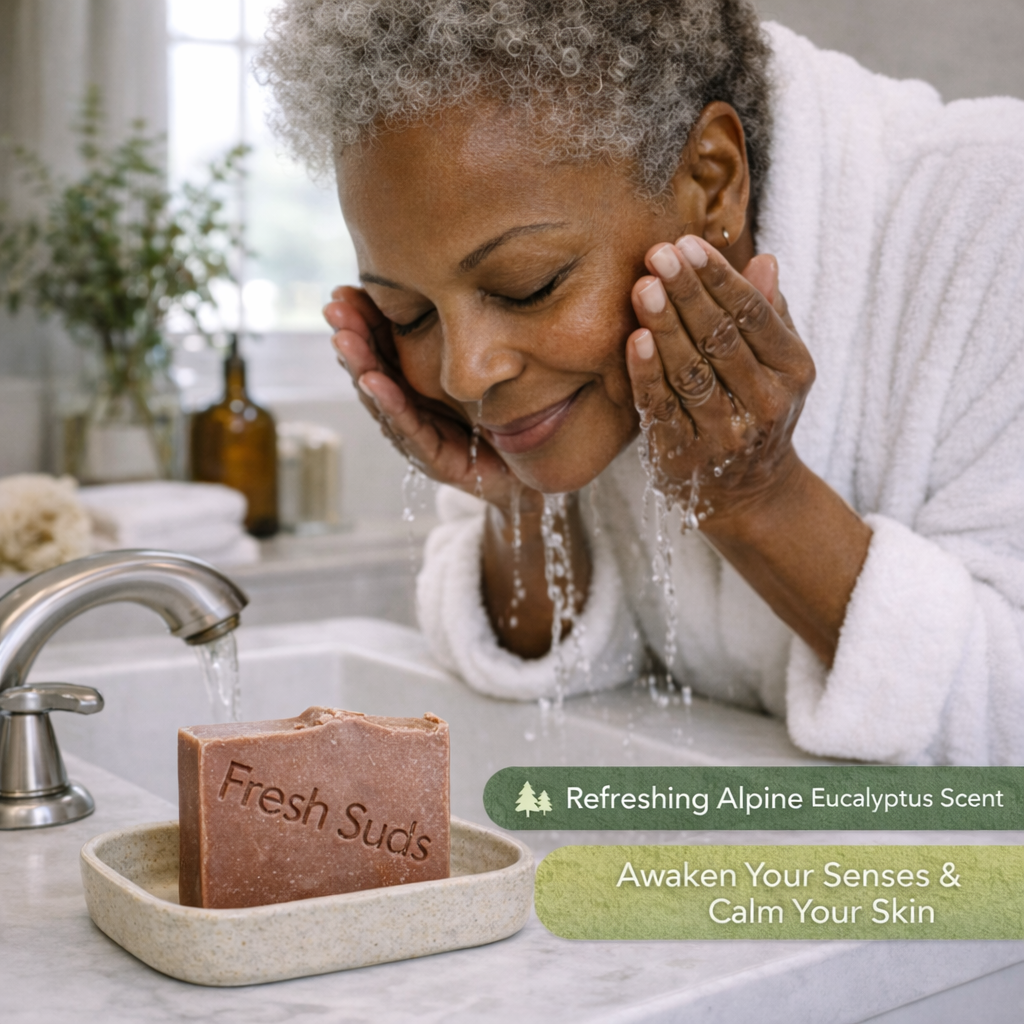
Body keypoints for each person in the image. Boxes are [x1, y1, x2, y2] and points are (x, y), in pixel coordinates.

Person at [256, 0, 1024, 764]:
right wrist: (525, 503)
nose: (466, 373)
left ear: (712, 181)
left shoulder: (994, 219)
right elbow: (566, 673)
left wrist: (760, 499)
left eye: (528, 285)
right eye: (408, 312)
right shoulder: (532, 368)